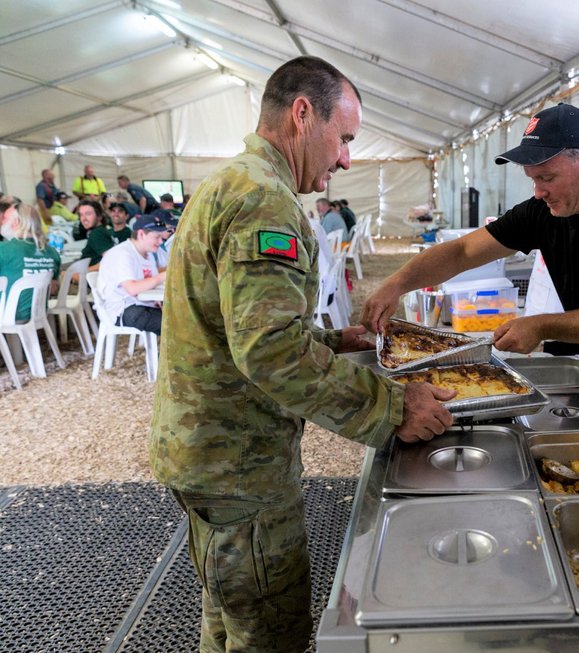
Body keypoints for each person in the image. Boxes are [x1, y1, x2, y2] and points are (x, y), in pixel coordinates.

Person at [150, 55, 454, 653]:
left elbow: (239, 330)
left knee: (226, 618)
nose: (345, 158)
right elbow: (270, 351)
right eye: (343, 139)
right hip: (240, 464)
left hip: (205, 453)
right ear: (301, 114)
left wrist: (335, 340)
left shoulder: (230, 181)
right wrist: (394, 407)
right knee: (269, 635)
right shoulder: (265, 200)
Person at [363, 102, 579, 465]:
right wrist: (397, 283)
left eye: (546, 177)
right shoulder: (545, 211)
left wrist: (542, 326)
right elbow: (464, 251)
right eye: (532, 179)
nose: (538, 191)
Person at [96, 214, 168, 336]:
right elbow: (132, 289)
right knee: (172, 324)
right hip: (122, 309)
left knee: (179, 318)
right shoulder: (123, 254)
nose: (160, 241)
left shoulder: (148, 254)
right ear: (141, 234)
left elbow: (148, 285)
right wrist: (162, 276)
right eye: (157, 237)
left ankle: (168, 353)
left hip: (140, 304)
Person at [0, 199, 60, 321]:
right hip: (39, 313)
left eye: (5, 218)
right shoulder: (52, 252)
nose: (1, 222)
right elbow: (53, 290)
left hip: (8, 315)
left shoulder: (4, 249)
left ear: (16, 222)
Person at [81, 201, 131, 269]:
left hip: (93, 276)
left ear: (99, 216)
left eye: (88, 214)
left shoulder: (98, 233)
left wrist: (80, 273)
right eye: (81, 215)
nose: (83, 219)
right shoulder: (106, 231)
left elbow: (111, 260)